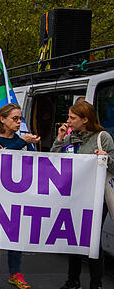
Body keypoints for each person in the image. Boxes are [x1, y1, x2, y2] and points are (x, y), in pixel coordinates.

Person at [53, 101, 114, 289]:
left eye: (72, 118)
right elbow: (54, 160)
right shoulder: (72, 138)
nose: (68, 121)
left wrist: (105, 158)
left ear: (85, 119)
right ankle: (73, 281)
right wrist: (60, 139)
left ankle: (96, 283)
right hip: (75, 196)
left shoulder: (103, 137)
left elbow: (113, 165)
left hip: (96, 197)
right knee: (74, 239)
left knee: (92, 240)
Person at [0, 103, 40, 289]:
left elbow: (33, 164)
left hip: (18, 196)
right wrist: (22, 141)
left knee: (16, 235)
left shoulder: (23, 141)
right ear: (2, 119)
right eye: (15, 118)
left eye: (20, 119)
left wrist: (26, 143)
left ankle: (15, 273)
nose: (18, 122)